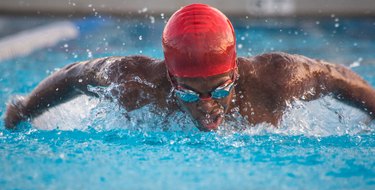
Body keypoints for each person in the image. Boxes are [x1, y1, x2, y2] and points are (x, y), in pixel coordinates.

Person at [4, 3, 375, 131]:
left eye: (219, 89)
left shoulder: (277, 78)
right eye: (188, 92)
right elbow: (72, 76)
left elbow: (337, 77)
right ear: (170, 77)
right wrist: (22, 110)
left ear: (235, 74)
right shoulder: (135, 82)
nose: (207, 105)